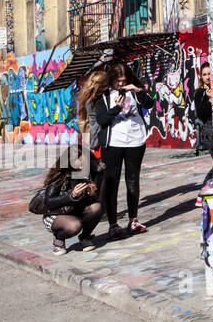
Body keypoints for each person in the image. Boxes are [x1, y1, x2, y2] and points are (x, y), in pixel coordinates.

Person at [92, 61, 154, 239]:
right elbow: (102, 120)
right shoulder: (102, 96)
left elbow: (149, 104)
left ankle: (133, 220)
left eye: (123, 80)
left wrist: (138, 90)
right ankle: (113, 224)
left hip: (135, 142)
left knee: (133, 180)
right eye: (117, 81)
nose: (120, 84)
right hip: (113, 144)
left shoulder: (134, 93)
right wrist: (117, 108)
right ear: (111, 80)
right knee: (112, 183)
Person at [38, 152, 104, 254]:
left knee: (97, 207)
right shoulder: (60, 174)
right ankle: (58, 238)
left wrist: (92, 194)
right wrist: (71, 196)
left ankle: (84, 237)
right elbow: (49, 203)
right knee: (74, 226)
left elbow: (92, 202)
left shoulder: (90, 172)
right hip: (56, 214)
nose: (82, 166)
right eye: (79, 162)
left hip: (75, 210)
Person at [191, 61, 213, 159]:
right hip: (209, 131)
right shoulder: (199, 93)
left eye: (209, 73)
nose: (208, 77)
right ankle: (210, 176)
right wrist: (209, 100)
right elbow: (201, 114)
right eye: (205, 74)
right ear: (201, 76)